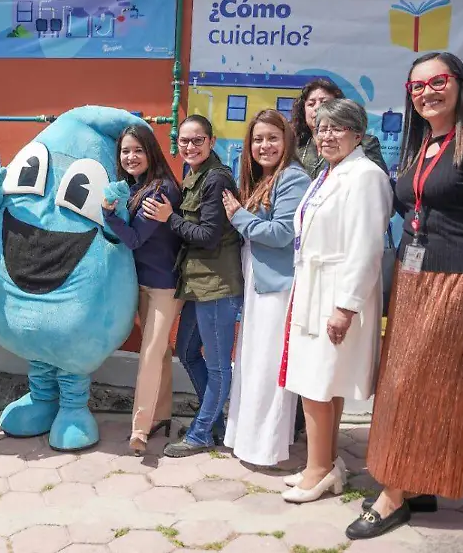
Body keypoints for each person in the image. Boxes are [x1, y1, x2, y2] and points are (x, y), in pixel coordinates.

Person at [349, 53, 463, 540]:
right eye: (418, 86)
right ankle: (416, 481)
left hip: (461, 284)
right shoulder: (420, 145)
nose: (428, 92)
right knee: (406, 382)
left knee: (427, 387)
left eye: (438, 81)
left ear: (459, 85)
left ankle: (393, 494)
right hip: (412, 280)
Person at [279, 98, 390, 505]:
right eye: (322, 128)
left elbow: (366, 247)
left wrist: (346, 306)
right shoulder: (330, 173)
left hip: (335, 294)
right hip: (314, 288)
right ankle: (326, 462)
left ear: (358, 135)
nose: (326, 135)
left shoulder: (365, 176)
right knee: (324, 381)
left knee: (317, 383)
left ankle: (319, 470)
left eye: (337, 128)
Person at [142, 115, 244, 459]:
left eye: (197, 140)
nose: (189, 146)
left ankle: (202, 433)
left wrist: (168, 217)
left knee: (217, 366)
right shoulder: (193, 175)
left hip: (217, 286)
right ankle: (212, 423)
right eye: (184, 141)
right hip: (197, 285)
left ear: (211, 142)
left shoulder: (216, 179)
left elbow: (207, 236)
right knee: (186, 352)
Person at [220, 110, 310, 467]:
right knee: (251, 364)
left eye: (272, 137)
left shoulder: (292, 178)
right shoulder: (266, 178)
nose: (264, 145)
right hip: (259, 287)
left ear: (287, 140)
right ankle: (246, 440)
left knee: (268, 368)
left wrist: (238, 216)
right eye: (257, 139)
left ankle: (266, 447)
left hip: (278, 289)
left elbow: (282, 234)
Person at [100, 125, 184, 456]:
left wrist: (109, 215)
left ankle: (139, 430)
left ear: (151, 152)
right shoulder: (137, 188)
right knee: (160, 352)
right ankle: (160, 416)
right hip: (143, 282)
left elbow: (134, 238)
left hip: (165, 286)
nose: (131, 157)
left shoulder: (160, 191)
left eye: (137, 150)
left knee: (149, 353)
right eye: (125, 151)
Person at [292, 78, 388, 176]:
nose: (317, 108)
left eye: (324, 103)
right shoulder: (296, 145)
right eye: (311, 104)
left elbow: (376, 179)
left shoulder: (365, 143)